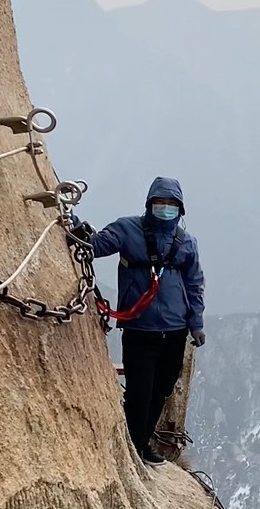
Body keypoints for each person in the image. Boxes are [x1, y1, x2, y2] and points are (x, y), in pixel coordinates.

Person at [72, 176, 206, 466]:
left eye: (172, 204)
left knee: (162, 387)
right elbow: (93, 246)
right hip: (139, 328)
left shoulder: (187, 244)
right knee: (139, 389)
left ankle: (143, 443)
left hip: (174, 330)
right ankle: (133, 447)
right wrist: (74, 224)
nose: (166, 208)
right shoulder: (127, 229)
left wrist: (196, 323)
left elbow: (194, 283)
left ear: (180, 208)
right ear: (150, 204)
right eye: (161, 202)